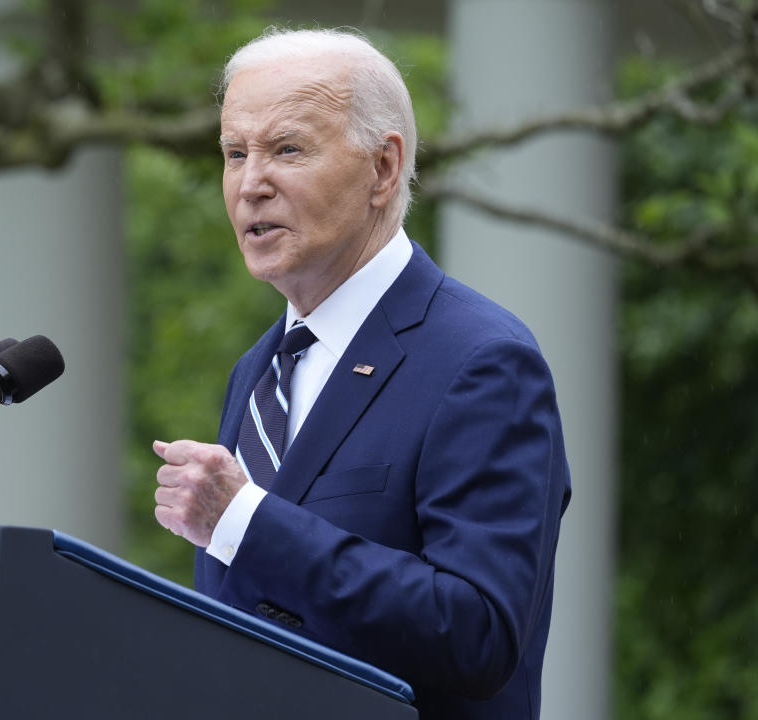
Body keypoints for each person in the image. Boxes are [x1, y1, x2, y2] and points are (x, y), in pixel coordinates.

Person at [152, 27, 570, 720]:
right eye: (234, 153)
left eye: (287, 149)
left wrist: (248, 520)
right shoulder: (257, 371)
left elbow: (479, 635)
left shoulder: (483, 361)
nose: (252, 183)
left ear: (382, 169)